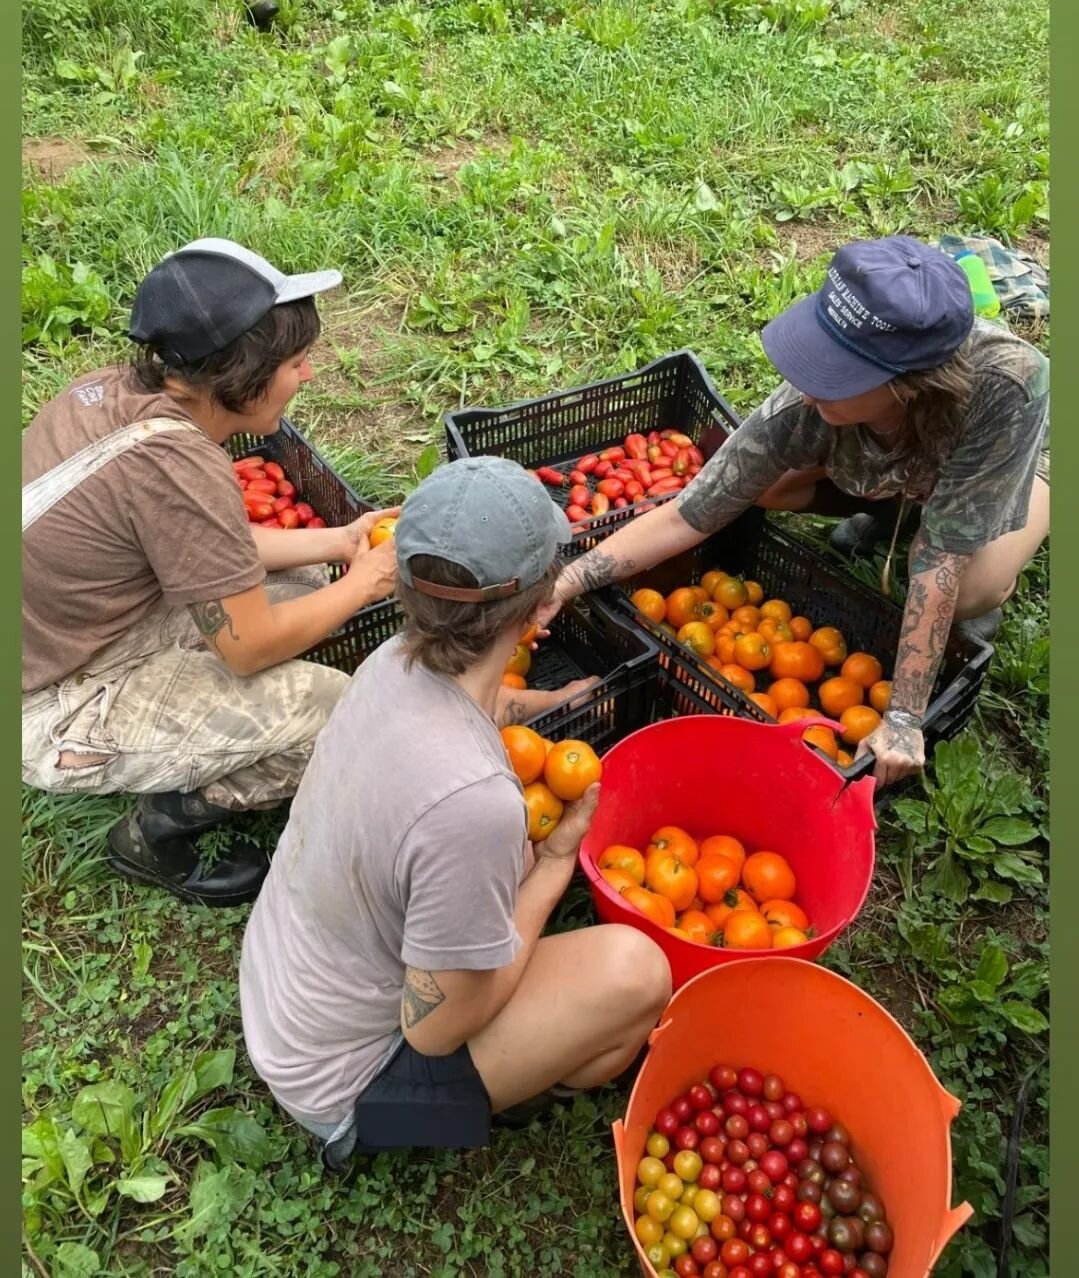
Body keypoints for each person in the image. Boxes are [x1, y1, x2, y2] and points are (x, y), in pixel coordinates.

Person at [239, 456, 672, 1166]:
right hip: (351, 1101)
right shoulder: (470, 806)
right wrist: (554, 867)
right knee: (634, 977)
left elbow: (482, 704)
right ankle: (446, 1126)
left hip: (283, 1003)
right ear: (541, 607)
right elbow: (434, 1031)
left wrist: (550, 706)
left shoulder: (389, 663)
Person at [544, 236, 1049, 786]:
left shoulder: (1007, 388)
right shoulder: (809, 404)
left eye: (836, 377)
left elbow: (941, 559)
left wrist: (903, 717)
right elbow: (690, 512)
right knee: (765, 486)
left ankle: (948, 513)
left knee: (973, 588)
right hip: (900, 461)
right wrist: (566, 582)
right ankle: (894, 506)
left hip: (1008, 465)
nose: (808, 391)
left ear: (907, 385)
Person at [22, 238, 401, 905]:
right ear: (241, 378)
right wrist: (367, 582)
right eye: (295, 362)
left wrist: (340, 542)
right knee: (332, 713)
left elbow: (206, 544)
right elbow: (248, 646)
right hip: (47, 697)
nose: (307, 376)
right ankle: (157, 834)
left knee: (308, 590)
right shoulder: (180, 470)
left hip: (65, 626)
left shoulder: (110, 392)